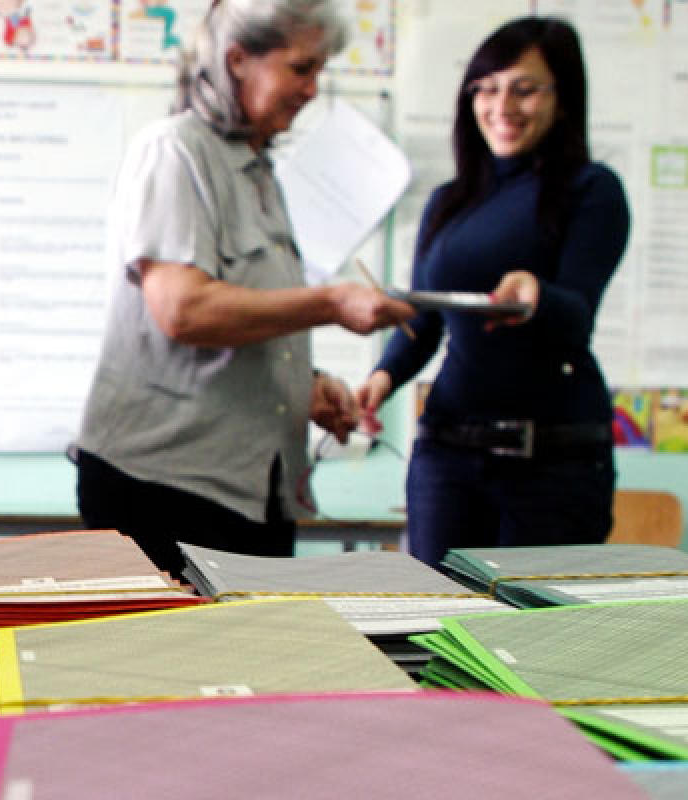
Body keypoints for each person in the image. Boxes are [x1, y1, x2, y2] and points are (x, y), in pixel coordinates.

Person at [73, 0, 416, 578]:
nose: (311, 90)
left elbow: (244, 317)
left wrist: (303, 386)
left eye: (318, 71)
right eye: (300, 68)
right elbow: (184, 309)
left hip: (252, 487)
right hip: (166, 484)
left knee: (250, 638)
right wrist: (331, 303)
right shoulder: (174, 151)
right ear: (237, 61)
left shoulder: (259, 172)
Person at [352, 17, 631, 569]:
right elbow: (424, 320)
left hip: (553, 457)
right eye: (487, 88)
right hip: (447, 452)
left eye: (524, 89)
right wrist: (382, 378)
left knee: (535, 618)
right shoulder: (449, 201)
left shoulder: (591, 190)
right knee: (438, 610)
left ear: (562, 99)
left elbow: (578, 315)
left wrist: (536, 294)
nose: (502, 106)